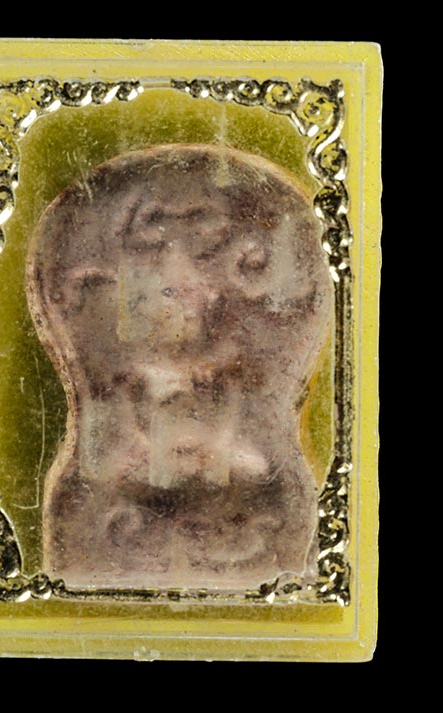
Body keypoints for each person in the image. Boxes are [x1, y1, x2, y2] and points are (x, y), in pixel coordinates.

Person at [26, 143, 333, 591]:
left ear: (216, 297)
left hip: (235, 507)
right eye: (161, 293)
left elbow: (255, 451)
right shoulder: (132, 371)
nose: (180, 302)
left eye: (192, 293)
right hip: (132, 506)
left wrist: (211, 436)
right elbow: (109, 450)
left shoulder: (229, 364)